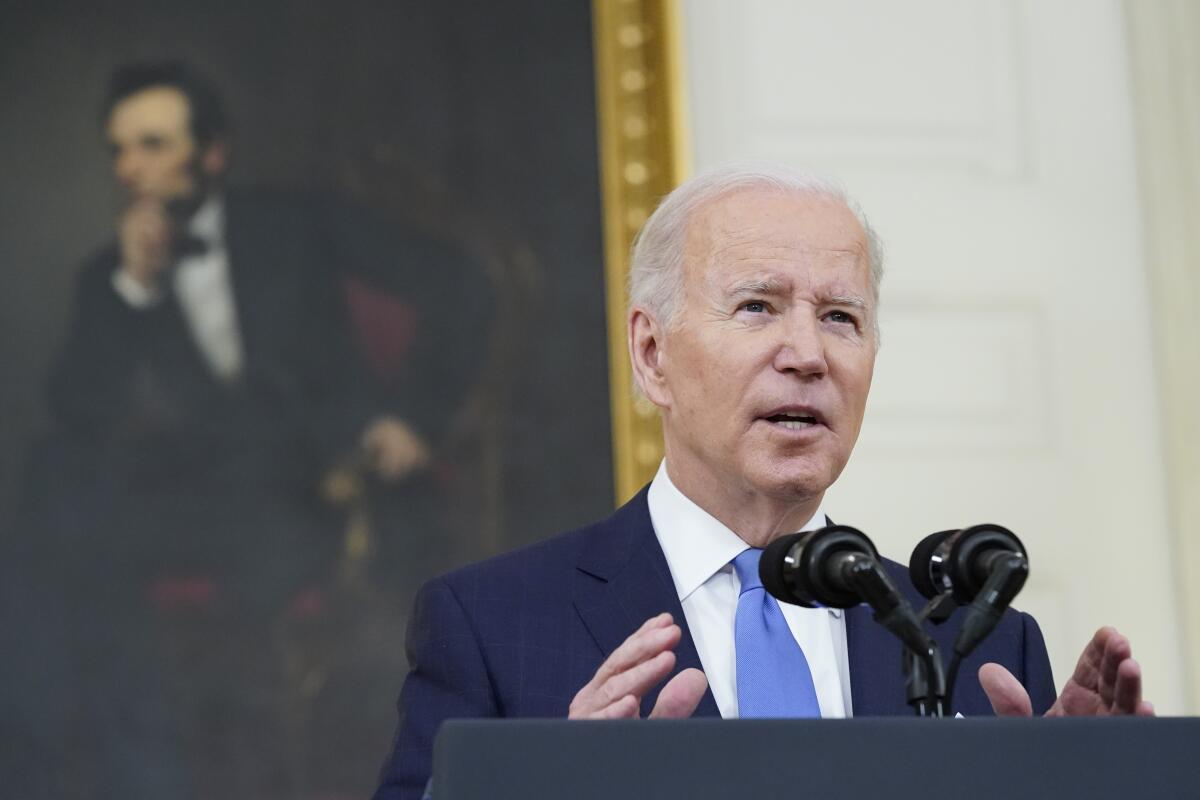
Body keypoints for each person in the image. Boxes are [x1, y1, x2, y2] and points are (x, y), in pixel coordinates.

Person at [371, 164, 1153, 800]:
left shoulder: (975, 639)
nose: (808, 355)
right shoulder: (491, 625)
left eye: (841, 317)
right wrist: (536, 791)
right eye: (757, 307)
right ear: (652, 355)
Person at [19, 61, 475, 797]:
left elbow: (459, 284)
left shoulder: (296, 225)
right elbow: (79, 414)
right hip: (207, 499)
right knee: (60, 496)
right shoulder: (111, 274)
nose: (131, 167)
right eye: (119, 149)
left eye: (153, 143)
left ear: (212, 153)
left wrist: (413, 414)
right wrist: (135, 289)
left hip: (327, 486)